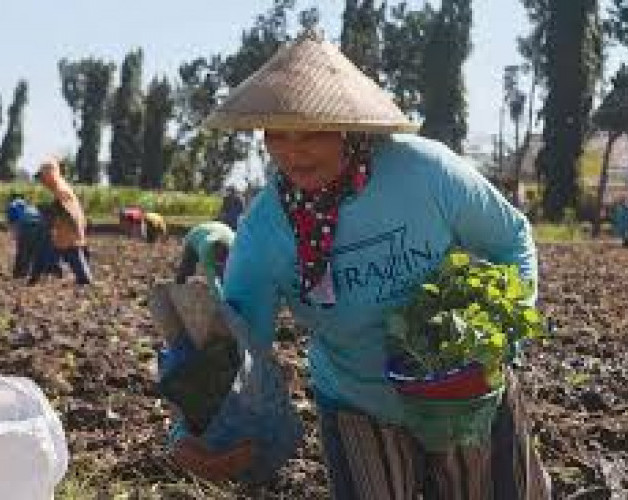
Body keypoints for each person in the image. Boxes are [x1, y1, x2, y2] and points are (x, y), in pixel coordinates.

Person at [168, 29, 551, 498]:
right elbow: (236, 346)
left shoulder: (425, 172)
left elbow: (511, 238)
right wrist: (193, 434)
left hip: (463, 392)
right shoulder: (266, 229)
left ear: (347, 127)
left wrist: (504, 341)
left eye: (310, 132)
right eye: (277, 135)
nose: (292, 151)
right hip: (358, 404)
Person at [35, 159, 92, 285]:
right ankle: (49, 274)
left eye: (43, 176)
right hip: (64, 230)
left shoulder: (61, 189)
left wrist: (47, 211)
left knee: (72, 253)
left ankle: (83, 279)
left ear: (49, 175)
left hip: (69, 229)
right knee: (58, 252)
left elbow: (64, 209)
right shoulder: (58, 187)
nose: (42, 181)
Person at [5, 196, 62, 282]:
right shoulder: (32, 208)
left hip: (26, 227)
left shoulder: (13, 208)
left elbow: (14, 225)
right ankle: (49, 270)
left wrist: (18, 237)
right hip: (41, 226)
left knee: (24, 251)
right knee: (41, 252)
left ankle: (20, 272)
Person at [175, 221, 235, 299]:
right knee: (187, 268)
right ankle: (177, 289)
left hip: (220, 228)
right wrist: (221, 298)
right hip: (194, 235)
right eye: (218, 256)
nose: (218, 260)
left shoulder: (235, 246)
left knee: (224, 271)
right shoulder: (205, 250)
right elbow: (212, 278)